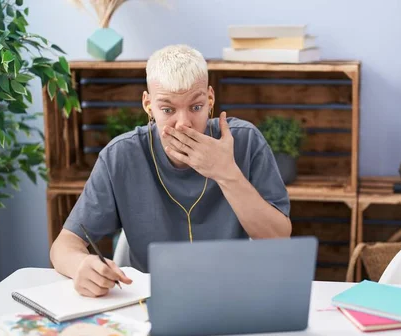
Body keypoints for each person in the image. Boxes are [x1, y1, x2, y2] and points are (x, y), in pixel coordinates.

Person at [50, 44, 292, 297]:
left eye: (196, 107)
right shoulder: (121, 156)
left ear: (210, 99)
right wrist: (81, 265)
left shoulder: (245, 141)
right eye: (167, 110)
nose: (183, 123)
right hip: (152, 297)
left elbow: (278, 238)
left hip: (234, 293)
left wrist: (226, 172)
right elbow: (63, 246)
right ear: (148, 104)